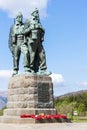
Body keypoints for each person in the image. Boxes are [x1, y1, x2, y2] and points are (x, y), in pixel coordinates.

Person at [24, 8, 51, 75]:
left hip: (39, 40)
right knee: (32, 55)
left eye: (38, 12)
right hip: (32, 41)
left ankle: (43, 70)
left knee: (42, 54)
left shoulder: (38, 21)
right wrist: (31, 28)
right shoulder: (28, 21)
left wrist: (41, 29)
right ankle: (31, 69)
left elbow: (42, 30)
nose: (37, 14)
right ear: (33, 13)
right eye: (36, 12)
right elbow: (24, 31)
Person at [8, 12, 30, 76]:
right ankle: (15, 70)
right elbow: (9, 38)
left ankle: (26, 68)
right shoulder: (13, 27)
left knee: (26, 53)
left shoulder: (24, 26)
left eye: (21, 17)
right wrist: (11, 47)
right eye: (19, 17)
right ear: (17, 18)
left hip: (23, 42)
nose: (21, 18)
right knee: (16, 57)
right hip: (16, 43)